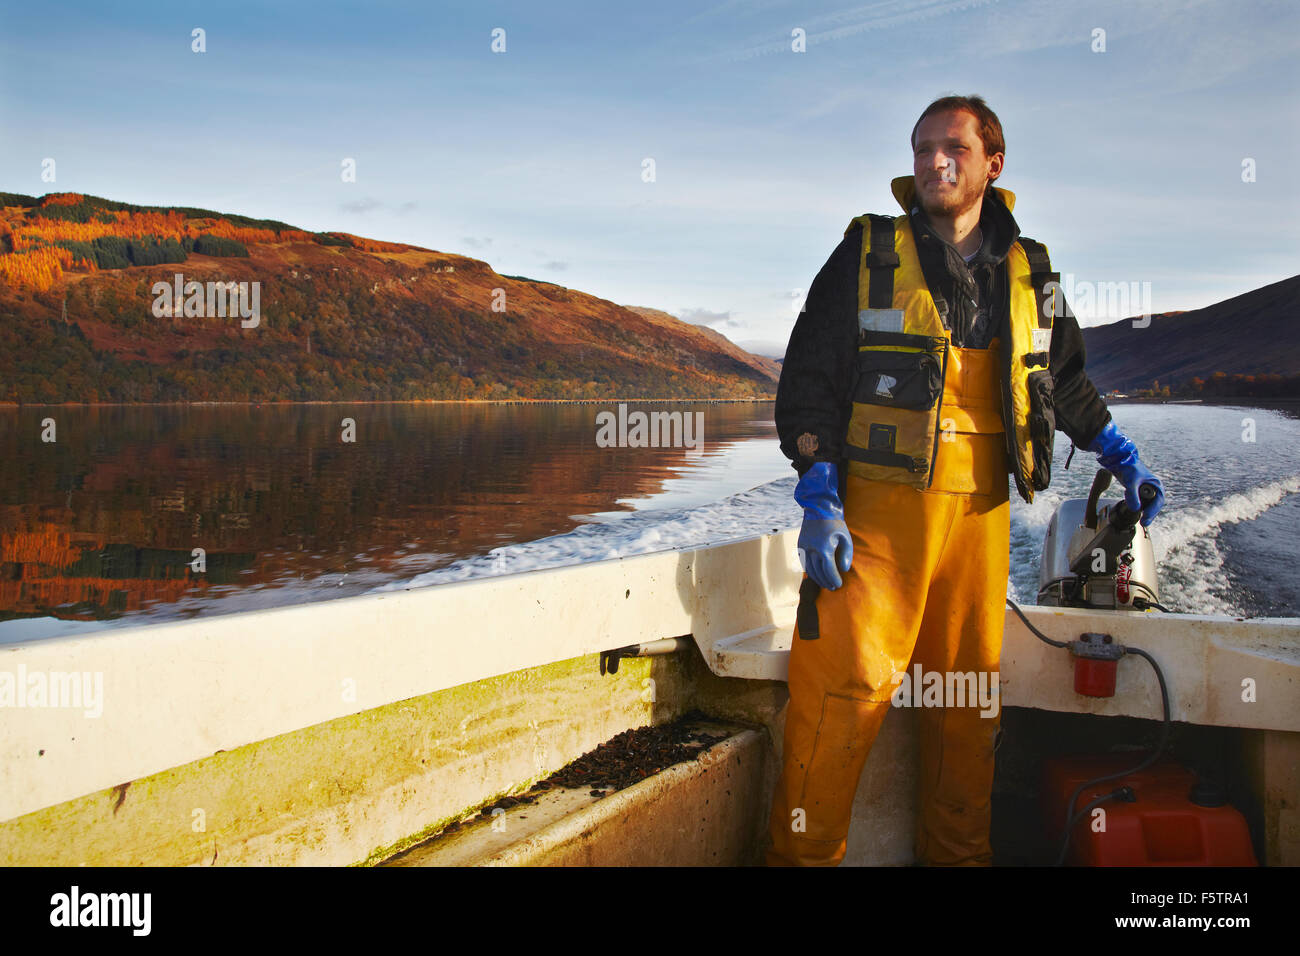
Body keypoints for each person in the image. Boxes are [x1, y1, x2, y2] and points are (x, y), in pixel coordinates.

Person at [766, 94, 1165, 867]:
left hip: (979, 524)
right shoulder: (864, 253)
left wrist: (1120, 454)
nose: (934, 162)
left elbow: (1065, 380)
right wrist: (817, 485)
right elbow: (809, 377)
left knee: (967, 713)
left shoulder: (1034, 271)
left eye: (952, 147)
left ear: (993, 163)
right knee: (840, 704)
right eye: (921, 149)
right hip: (875, 526)